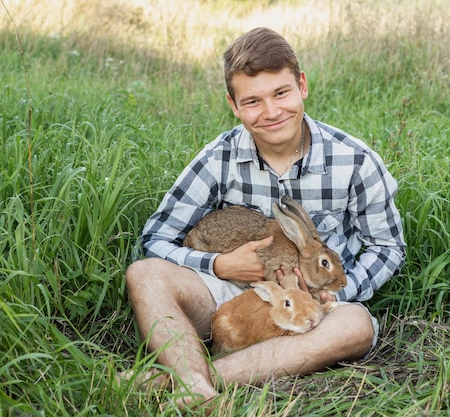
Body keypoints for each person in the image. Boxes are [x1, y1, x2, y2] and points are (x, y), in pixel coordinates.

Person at [123, 27, 406, 410]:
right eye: (252, 101)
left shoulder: (354, 160)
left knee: (354, 327)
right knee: (144, 273)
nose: (271, 112)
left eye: (281, 93)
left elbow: (387, 247)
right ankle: (192, 381)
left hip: (315, 309)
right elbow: (157, 236)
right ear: (234, 104)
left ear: (302, 85)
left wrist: (334, 293)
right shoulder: (217, 158)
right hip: (227, 301)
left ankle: (188, 380)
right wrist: (219, 264)